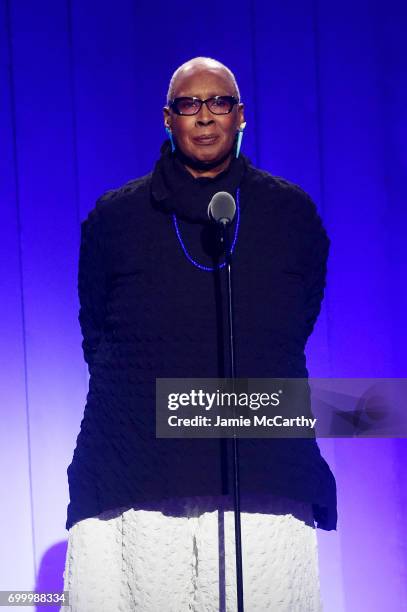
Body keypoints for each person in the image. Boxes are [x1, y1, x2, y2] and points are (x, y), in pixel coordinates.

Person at [63, 56, 337, 611]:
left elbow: (297, 318)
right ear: (169, 118)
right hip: (137, 455)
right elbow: (97, 330)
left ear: (241, 117)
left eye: (219, 103)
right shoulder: (116, 217)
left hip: (259, 458)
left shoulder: (288, 211)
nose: (205, 116)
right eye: (190, 104)